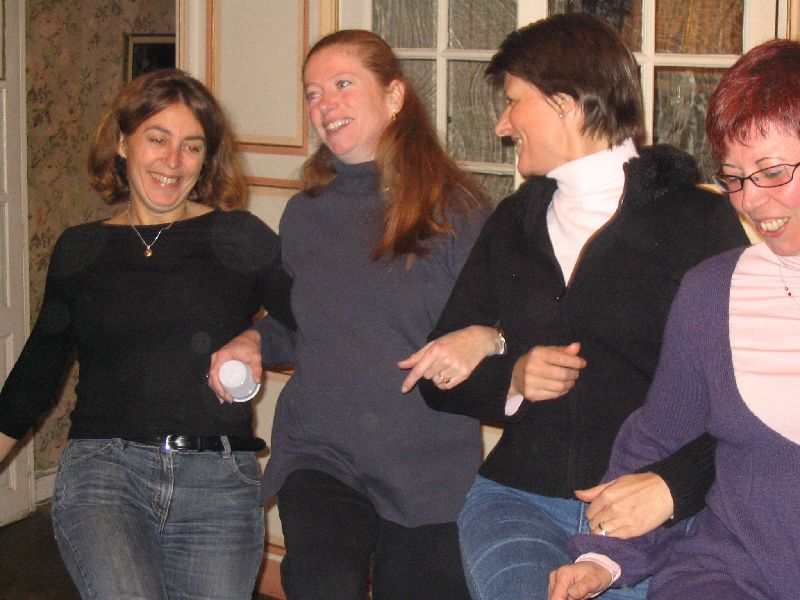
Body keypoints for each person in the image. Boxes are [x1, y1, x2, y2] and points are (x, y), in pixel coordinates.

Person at [398, 13, 749, 600]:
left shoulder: (697, 221)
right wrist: (511, 375)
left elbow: (748, 402)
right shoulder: (515, 220)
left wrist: (671, 488)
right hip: (518, 500)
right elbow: (436, 380)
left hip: (651, 520)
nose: (502, 124)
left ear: (564, 104)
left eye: (514, 102)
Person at [208, 30, 490, 600]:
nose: (324, 105)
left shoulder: (457, 210)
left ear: (394, 96)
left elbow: (506, 325)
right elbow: (301, 324)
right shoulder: (304, 215)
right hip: (322, 451)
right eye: (313, 93)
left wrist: (486, 337)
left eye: (342, 84)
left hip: (427, 464)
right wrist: (252, 340)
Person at [0, 69, 294, 599]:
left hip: (218, 479)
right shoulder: (80, 249)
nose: (173, 161)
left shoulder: (238, 237)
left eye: (192, 146)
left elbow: (310, 320)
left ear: (206, 158)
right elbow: (38, 369)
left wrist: (256, 339)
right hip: (105, 475)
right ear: (122, 142)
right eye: (157, 139)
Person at [548, 37, 800, 600]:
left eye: (771, 171)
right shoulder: (712, 291)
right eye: (734, 177)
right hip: (730, 576)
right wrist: (604, 558)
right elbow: (657, 437)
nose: (751, 201)